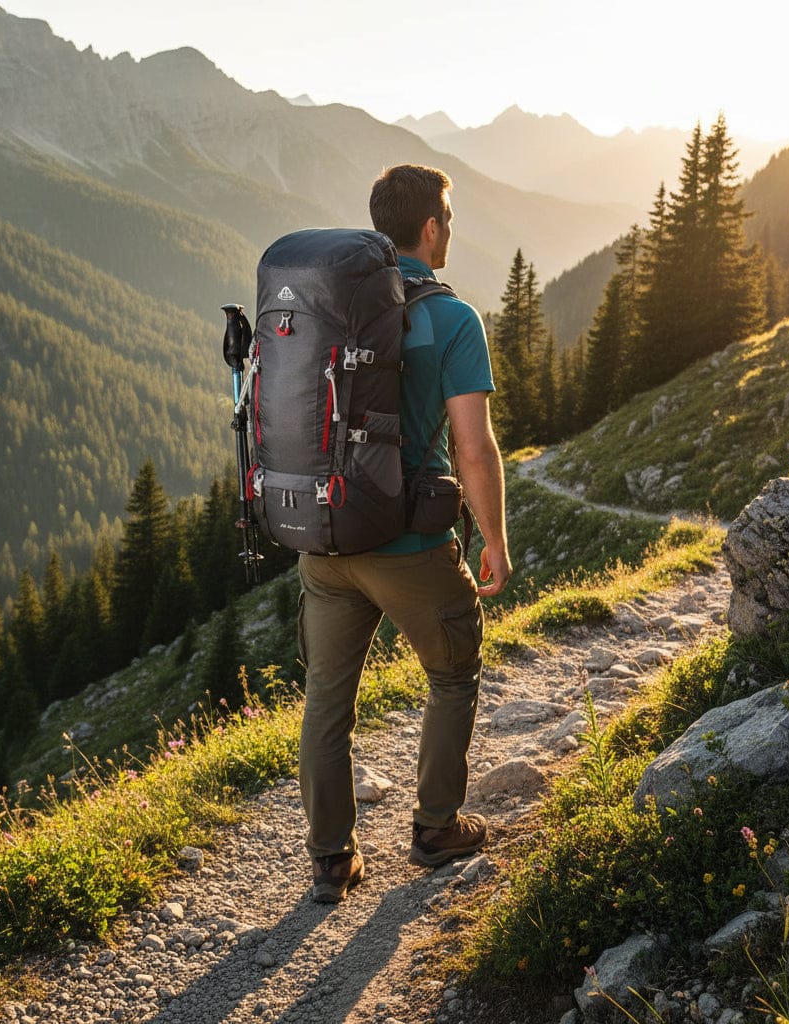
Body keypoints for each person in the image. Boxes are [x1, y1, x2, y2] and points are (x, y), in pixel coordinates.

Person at [298, 163, 512, 902]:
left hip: (325, 542)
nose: (449, 230)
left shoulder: (331, 304)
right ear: (430, 227)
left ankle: (332, 859)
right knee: (453, 671)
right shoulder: (451, 319)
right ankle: (435, 826)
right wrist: (494, 538)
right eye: (447, 218)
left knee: (328, 701)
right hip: (409, 547)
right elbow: (474, 449)